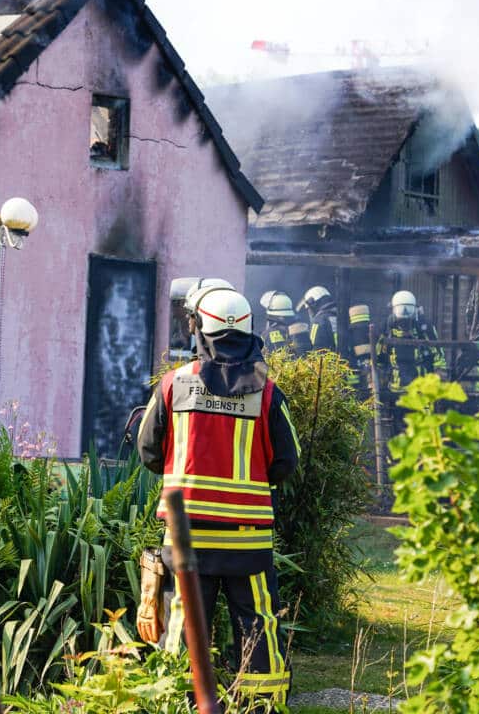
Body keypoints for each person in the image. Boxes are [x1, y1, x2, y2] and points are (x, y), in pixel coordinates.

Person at [137, 287, 300, 706]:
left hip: (188, 536)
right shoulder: (267, 392)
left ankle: (178, 701)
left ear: (200, 330)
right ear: (249, 332)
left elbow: (149, 452)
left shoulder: (173, 385)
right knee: (258, 622)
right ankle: (261, 705)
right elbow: (286, 459)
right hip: (248, 539)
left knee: (184, 623)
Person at [376, 290, 446, 394]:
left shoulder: (424, 328)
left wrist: (439, 375)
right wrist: (378, 378)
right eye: (401, 321)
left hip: (420, 390)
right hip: (394, 390)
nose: (404, 325)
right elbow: (378, 357)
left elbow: (438, 356)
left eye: (407, 322)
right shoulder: (386, 329)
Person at [296, 285, 338, 351]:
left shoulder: (318, 322)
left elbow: (314, 352)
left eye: (308, 309)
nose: (309, 312)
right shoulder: (341, 316)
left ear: (313, 304)